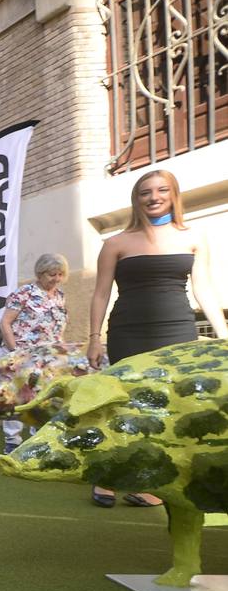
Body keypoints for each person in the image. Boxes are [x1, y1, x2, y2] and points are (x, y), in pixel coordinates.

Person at [87, 168, 227, 508]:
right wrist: (94, 337)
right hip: (128, 331)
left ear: (173, 194)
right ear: (136, 199)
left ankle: (144, 480)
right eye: (145, 192)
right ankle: (106, 476)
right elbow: (100, 293)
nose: (154, 197)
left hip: (178, 330)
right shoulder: (115, 243)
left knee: (164, 406)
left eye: (162, 190)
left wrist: (223, 335)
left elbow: (203, 288)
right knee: (125, 402)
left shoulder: (193, 237)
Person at [0, 254, 69, 453]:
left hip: (49, 356)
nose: (56, 279)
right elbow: (5, 323)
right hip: (22, 352)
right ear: (40, 274)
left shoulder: (60, 295)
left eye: (60, 274)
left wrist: (61, 351)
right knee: (18, 396)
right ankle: (12, 440)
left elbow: (57, 326)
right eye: (51, 274)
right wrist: (15, 352)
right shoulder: (24, 294)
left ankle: (37, 437)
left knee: (44, 397)